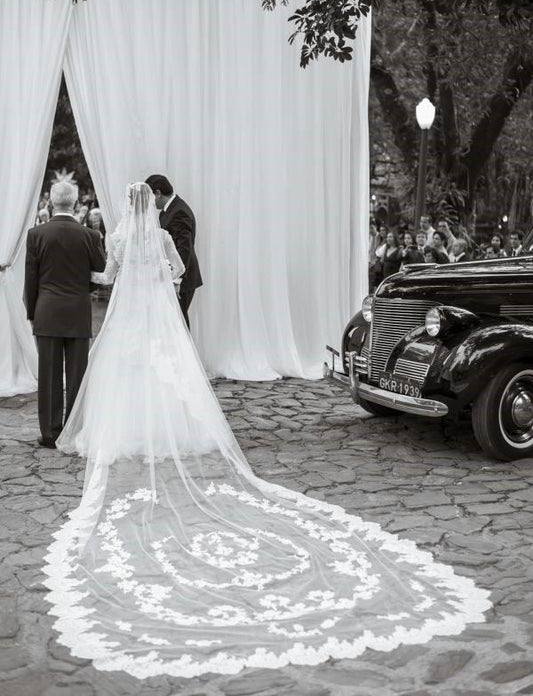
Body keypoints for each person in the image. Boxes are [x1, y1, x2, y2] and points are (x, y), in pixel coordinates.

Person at [43, 183, 490, 678]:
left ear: (129, 207)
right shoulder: (164, 239)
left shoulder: (122, 238)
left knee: (127, 374)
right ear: (154, 205)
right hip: (158, 321)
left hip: (128, 322)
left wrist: (105, 281)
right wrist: (160, 289)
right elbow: (178, 275)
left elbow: (107, 278)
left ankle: (128, 430)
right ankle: (172, 430)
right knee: (168, 374)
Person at [24, 181, 106, 448]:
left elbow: (31, 278)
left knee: (48, 375)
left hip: (46, 310)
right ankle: (74, 431)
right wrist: (83, 288)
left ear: (51, 201)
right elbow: (101, 273)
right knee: (77, 374)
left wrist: (33, 311)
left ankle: (50, 433)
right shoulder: (90, 236)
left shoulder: (36, 234)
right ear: (75, 201)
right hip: (78, 311)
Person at [145, 174, 202, 328]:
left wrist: (177, 279)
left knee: (179, 323)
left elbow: (184, 248)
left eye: (150, 197)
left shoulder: (179, 212)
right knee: (172, 322)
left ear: (157, 193)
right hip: (172, 275)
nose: (149, 203)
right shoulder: (167, 210)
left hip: (182, 278)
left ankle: (186, 353)